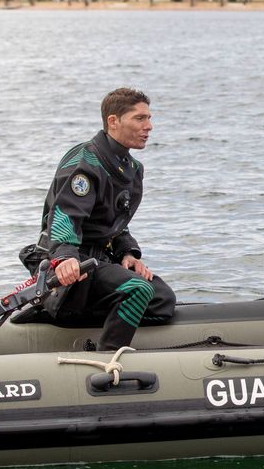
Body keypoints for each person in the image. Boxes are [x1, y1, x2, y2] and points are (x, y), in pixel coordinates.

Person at [24, 87, 175, 349]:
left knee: (163, 300)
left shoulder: (132, 169)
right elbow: (64, 218)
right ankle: (109, 356)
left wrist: (128, 253)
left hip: (100, 262)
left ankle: (85, 321)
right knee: (138, 290)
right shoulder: (85, 163)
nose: (149, 126)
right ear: (113, 121)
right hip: (71, 266)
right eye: (139, 119)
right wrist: (66, 257)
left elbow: (113, 226)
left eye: (149, 118)